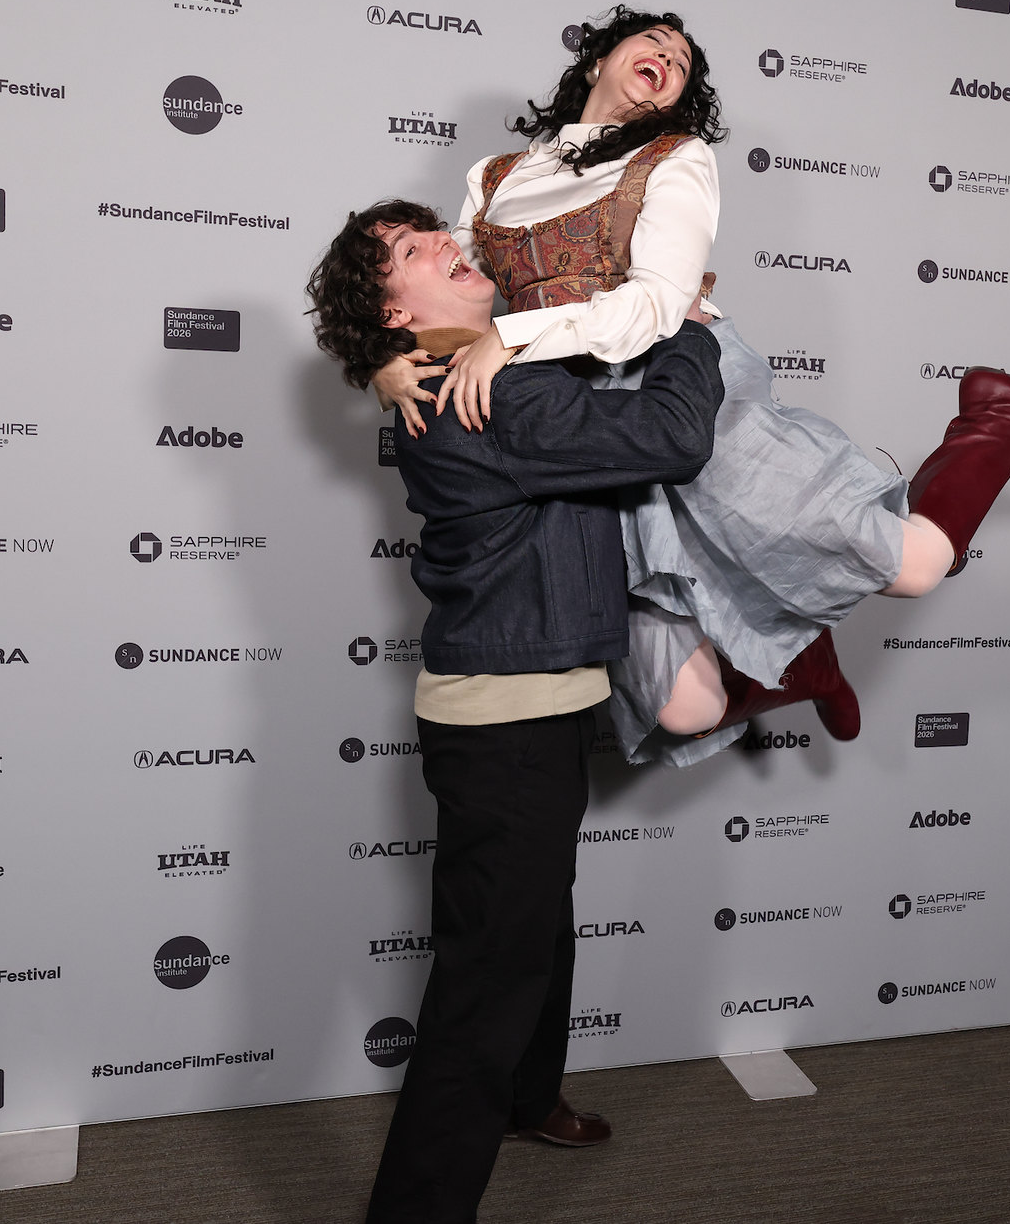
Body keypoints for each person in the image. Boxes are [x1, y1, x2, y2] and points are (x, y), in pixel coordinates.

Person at [367, 6, 1010, 766]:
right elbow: (442, 290)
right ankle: (807, 661)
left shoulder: (674, 158)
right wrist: (384, 362)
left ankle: (1000, 411)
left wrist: (510, 336)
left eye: (682, 63)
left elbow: (657, 306)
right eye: (651, 42)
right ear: (596, 63)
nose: (668, 57)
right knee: (688, 707)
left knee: (916, 566)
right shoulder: (496, 178)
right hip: (579, 435)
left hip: (677, 392)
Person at [311, 196, 727, 1223]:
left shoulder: (485, 369)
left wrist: (385, 362)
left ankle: (526, 1099)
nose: (449, 247)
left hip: (525, 705)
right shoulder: (483, 396)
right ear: (396, 318)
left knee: (536, 928)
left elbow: (565, 327)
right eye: (414, 253)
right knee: (483, 987)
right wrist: (693, 331)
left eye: (433, 233)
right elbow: (671, 436)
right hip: (505, 721)